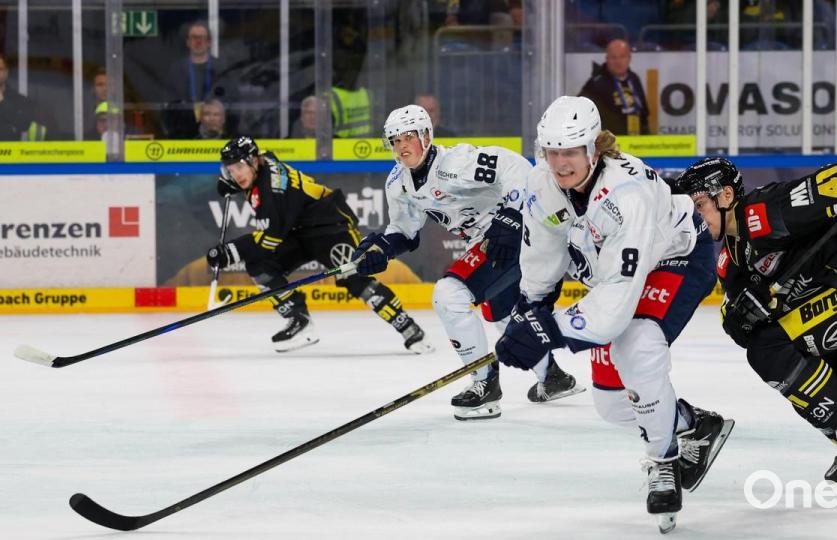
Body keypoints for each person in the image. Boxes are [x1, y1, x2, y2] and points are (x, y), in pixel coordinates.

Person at [494, 96, 733, 533]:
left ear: (594, 149)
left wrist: (547, 331)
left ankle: (663, 461)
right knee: (612, 404)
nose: (560, 163)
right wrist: (529, 309)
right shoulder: (541, 182)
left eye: (570, 151)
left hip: (677, 256)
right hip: (616, 273)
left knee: (638, 343)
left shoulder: (628, 194)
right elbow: (542, 253)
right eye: (552, 151)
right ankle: (694, 424)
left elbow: (615, 307)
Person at [673, 146, 837, 492]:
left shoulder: (761, 213)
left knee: (770, 353)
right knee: (806, 388)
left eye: (699, 206)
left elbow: (828, 186)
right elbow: (740, 323)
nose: (695, 218)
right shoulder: (731, 261)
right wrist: (741, 318)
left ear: (727, 195)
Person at [351, 104, 584, 421]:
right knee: (502, 312)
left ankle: (484, 384)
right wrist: (381, 248)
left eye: (408, 137)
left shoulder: (456, 163)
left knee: (450, 295)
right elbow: (405, 231)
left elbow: (516, 167)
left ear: (427, 136)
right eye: (395, 140)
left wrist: (511, 216)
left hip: (520, 232)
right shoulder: (398, 183)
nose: (402, 146)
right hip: (493, 241)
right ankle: (553, 378)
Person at [208, 136, 434, 354]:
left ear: (253, 161)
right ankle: (299, 320)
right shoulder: (262, 162)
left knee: (354, 278)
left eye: (239, 167)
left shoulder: (271, 189)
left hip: (332, 227)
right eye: (230, 169)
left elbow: (271, 238)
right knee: (259, 264)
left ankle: (409, 328)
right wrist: (232, 184)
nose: (236, 175)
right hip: (299, 232)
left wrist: (232, 251)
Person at [164, 22, 230, 138]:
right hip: (184, 133)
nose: (198, 42)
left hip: (217, 133)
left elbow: (231, 98)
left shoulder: (221, 67)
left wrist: (215, 109)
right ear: (188, 42)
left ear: (209, 42)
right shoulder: (176, 70)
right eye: (194, 37)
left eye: (202, 38)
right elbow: (170, 104)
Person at [577, 39, 650, 136]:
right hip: (609, 143)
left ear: (629, 58)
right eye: (613, 57)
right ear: (607, 59)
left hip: (635, 141)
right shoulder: (596, 83)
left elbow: (644, 113)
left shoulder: (634, 78)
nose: (618, 61)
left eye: (622, 57)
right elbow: (580, 114)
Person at [0, 54, 34, 141]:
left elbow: (25, 125)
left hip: (9, 152)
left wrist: (2, 102)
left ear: (6, 72)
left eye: (0, 69)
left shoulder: (19, 99)